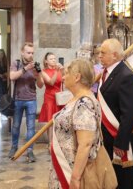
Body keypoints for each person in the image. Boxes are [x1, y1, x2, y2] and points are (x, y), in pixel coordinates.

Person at [49, 59, 101, 188]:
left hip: (71, 170)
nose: (63, 77)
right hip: (64, 164)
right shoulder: (77, 98)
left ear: (77, 77)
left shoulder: (84, 103)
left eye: (66, 73)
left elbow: (85, 143)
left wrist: (75, 178)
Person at [98, 38, 133, 189]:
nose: (99, 56)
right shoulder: (106, 73)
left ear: (115, 55)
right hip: (107, 136)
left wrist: (121, 142)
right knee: (111, 178)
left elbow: (129, 113)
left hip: (120, 138)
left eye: (103, 53)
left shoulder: (126, 76)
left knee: (123, 179)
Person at [8, 42, 44, 162]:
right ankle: (14, 147)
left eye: (32, 53)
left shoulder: (36, 65)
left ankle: (30, 151)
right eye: (28, 52)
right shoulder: (16, 63)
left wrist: (38, 75)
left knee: (31, 127)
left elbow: (40, 85)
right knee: (16, 126)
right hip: (18, 99)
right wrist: (25, 69)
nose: (30, 55)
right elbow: (12, 77)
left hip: (31, 100)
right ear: (22, 52)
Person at [38, 52, 64, 147]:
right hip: (50, 98)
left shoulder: (59, 70)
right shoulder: (44, 72)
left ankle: (59, 142)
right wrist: (57, 71)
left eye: (54, 58)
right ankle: (50, 143)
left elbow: (64, 80)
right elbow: (51, 83)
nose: (54, 60)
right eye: (51, 59)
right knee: (50, 122)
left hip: (59, 98)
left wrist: (63, 70)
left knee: (60, 120)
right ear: (46, 61)